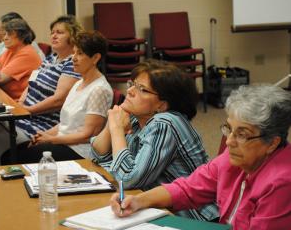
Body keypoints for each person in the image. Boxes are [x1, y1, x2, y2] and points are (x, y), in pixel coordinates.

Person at [110, 84, 291, 229]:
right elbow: (188, 189)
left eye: (242, 134)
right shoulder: (233, 158)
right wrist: (138, 201)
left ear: (272, 143)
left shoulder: (282, 182)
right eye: (229, 128)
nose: (229, 142)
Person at [91, 59, 218, 221]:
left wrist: (116, 129)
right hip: (154, 209)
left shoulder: (165, 123)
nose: (130, 91)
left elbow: (127, 179)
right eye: (133, 84)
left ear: (162, 105)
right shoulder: (139, 118)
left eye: (142, 89)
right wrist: (112, 123)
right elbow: (98, 155)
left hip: (192, 217)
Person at [2, 30, 113, 163]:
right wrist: (43, 136)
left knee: (13, 158)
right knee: (10, 154)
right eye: (74, 52)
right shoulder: (78, 82)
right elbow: (65, 124)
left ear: (95, 58)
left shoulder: (99, 90)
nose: (74, 58)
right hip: (62, 142)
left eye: (80, 53)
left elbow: (88, 135)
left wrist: (51, 139)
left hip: (79, 151)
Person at [0, 15, 82, 162]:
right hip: (27, 113)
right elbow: (31, 83)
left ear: (73, 36)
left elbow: (59, 100)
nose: (54, 35)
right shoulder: (51, 58)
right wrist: (19, 105)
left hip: (45, 122)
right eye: (52, 32)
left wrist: (26, 111)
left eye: (60, 32)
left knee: (1, 135)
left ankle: (0, 169)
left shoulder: (72, 64)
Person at [0, 18, 41, 101]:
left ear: (22, 36)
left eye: (9, 34)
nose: (4, 38)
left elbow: (0, 79)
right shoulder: (10, 50)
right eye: (5, 34)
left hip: (19, 102)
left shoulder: (27, 53)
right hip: (5, 97)